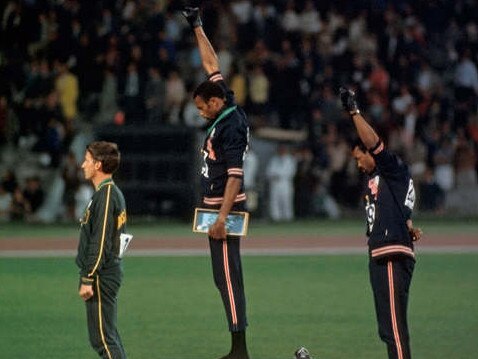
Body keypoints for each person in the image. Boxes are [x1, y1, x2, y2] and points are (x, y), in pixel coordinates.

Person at [182, 7, 250, 359]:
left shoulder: (231, 126)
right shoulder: (224, 104)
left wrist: (222, 219)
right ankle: (237, 347)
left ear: (215, 101)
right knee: (222, 277)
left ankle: (240, 350)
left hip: (225, 210)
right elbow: (211, 65)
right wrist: (197, 26)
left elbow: (236, 177)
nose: (200, 112)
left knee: (228, 276)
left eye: (202, 108)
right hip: (215, 209)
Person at [339, 87, 422, 359]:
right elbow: (403, 208)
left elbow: (374, 142)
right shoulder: (382, 180)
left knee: (394, 329)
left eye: (359, 157)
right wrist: (407, 225)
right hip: (383, 253)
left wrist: (354, 112)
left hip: (390, 255)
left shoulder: (391, 169)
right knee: (388, 328)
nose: (358, 165)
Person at [76, 141, 128, 359]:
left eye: (87, 160)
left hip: (101, 274)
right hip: (106, 271)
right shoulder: (108, 193)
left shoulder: (106, 195)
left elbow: (100, 241)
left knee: (103, 340)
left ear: (98, 165)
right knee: (109, 337)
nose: (82, 165)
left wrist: (88, 277)